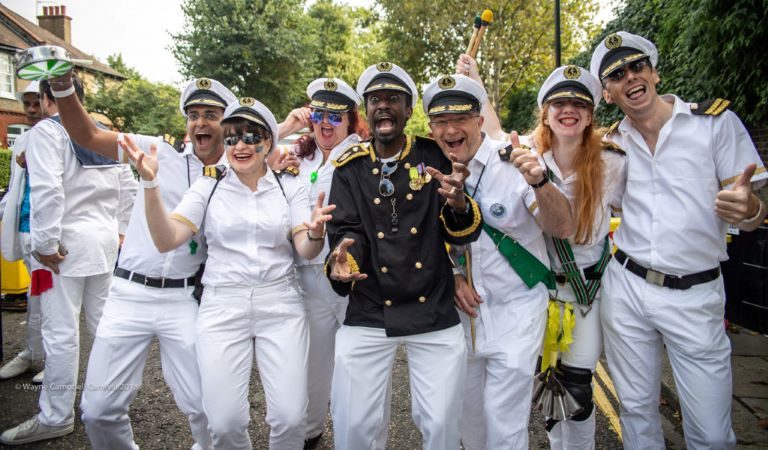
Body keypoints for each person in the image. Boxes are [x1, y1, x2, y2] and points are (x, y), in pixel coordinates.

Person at [37, 74, 237, 450]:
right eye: (193, 115)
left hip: (185, 299)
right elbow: (87, 136)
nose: (199, 123)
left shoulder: (236, 171)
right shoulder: (157, 151)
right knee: (97, 409)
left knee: (207, 407)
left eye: (210, 114)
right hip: (128, 293)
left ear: (226, 123)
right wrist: (64, 88)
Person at [590, 31, 767, 449]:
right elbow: (592, 207)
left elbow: (756, 210)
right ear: (609, 94)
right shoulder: (611, 143)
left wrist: (751, 211)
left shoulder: (714, 123)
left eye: (637, 66)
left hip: (695, 292)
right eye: (617, 75)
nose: (630, 77)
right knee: (635, 411)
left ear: (653, 71)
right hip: (627, 288)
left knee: (710, 432)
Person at [129, 96, 334, 449]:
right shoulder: (208, 185)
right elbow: (166, 240)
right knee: (223, 423)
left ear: (268, 141)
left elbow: (305, 248)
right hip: (223, 306)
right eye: (232, 138)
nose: (240, 145)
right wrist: (150, 186)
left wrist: (315, 232)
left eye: (250, 137)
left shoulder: (290, 185)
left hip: (280, 304)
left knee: (289, 418)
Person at [325, 62, 482, 450]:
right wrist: (344, 260)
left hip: (432, 303)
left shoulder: (433, 156)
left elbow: (459, 228)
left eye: (392, 99)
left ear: (408, 110)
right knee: (352, 424)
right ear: (365, 111)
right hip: (369, 304)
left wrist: (459, 204)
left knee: (442, 424)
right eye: (375, 100)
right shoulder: (350, 168)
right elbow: (346, 231)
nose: (383, 106)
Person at [422, 72, 574, 449]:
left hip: (516, 309)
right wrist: (454, 274)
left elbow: (561, 226)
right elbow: (422, 240)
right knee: (467, 422)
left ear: (479, 120)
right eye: (440, 121)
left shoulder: (516, 162)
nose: (450, 129)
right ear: (430, 127)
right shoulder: (425, 171)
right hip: (460, 318)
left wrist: (540, 182)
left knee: (504, 422)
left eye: (459, 118)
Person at [0, 76, 137, 446]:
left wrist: (44, 243)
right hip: (105, 243)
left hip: (63, 247)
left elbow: (47, 189)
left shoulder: (48, 131)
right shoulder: (106, 132)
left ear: (49, 98)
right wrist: (121, 231)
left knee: (60, 334)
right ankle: (111, 401)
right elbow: (129, 187)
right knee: (105, 327)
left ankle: (56, 414)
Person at [528, 66, 625, 449]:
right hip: (540, 292)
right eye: (559, 104)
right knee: (548, 385)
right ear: (546, 113)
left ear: (589, 114)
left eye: (578, 104)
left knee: (579, 391)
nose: (568, 110)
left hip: (588, 292)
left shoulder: (613, 161)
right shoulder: (528, 158)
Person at [276, 77, 369, 448]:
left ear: (350, 120)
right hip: (303, 278)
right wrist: (286, 127)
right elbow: (244, 148)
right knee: (311, 364)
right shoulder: (297, 155)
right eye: (318, 114)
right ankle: (311, 432)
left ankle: (355, 436)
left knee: (354, 368)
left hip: (347, 278)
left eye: (335, 116)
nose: (325, 123)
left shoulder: (363, 155)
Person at [0, 81, 47, 384]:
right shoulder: (23, 140)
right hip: (24, 229)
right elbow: (16, 189)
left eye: (36, 103)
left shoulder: (63, 138)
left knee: (50, 301)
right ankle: (31, 352)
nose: (31, 111)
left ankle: (53, 362)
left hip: (49, 236)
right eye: (26, 104)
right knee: (34, 298)